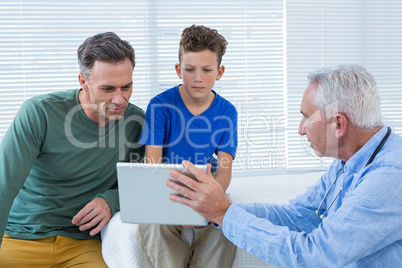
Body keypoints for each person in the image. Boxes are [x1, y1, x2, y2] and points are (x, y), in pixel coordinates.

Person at [167, 64, 402, 267]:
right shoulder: (349, 160)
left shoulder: (390, 175)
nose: (300, 129)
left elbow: (314, 255)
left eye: (306, 117)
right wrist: (217, 211)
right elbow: (298, 216)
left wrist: (224, 213)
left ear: (338, 125)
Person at [0, 32, 145, 267]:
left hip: (83, 243)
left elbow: (142, 181)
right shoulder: (39, 113)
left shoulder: (137, 122)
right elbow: (3, 184)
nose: (120, 100)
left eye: (127, 87)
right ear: (83, 81)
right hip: (21, 236)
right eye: (108, 89)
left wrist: (112, 200)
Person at [136, 25, 238, 268]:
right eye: (190, 70)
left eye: (207, 70)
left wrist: (204, 202)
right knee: (151, 223)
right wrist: (178, 206)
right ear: (178, 69)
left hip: (206, 186)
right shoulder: (159, 105)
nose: (198, 78)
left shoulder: (227, 111)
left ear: (220, 72)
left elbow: (224, 171)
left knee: (229, 220)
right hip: (166, 186)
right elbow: (153, 164)